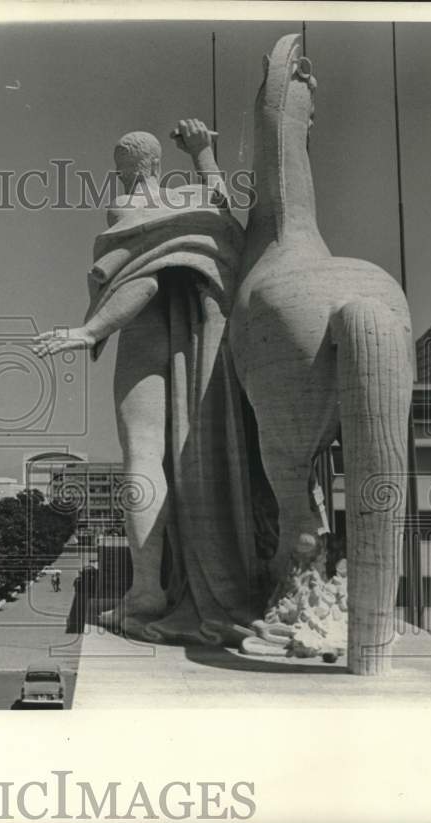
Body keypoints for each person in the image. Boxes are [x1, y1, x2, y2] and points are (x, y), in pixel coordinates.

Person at [32, 120, 260, 645]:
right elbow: (225, 215)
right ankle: (173, 585)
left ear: (122, 169)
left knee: (141, 455)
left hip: (144, 337)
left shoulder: (123, 209)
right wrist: (203, 153)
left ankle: (147, 592)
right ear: (158, 163)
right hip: (205, 333)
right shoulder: (191, 198)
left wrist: (87, 329)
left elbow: (143, 279)